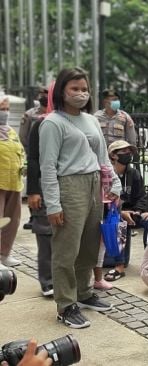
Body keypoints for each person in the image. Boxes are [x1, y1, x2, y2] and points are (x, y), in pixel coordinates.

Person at [39, 67, 121, 329]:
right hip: (68, 186)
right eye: (74, 88)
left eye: (84, 89)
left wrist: (114, 184)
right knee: (66, 248)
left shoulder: (91, 120)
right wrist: (53, 204)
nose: (81, 93)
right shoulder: (53, 123)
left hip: (94, 183)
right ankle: (65, 304)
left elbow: (103, 157)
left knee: (88, 244)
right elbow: (48, 166)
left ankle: (84, 293)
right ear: (62, 90)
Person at [101, 140, 148, 283]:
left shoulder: (133, 173)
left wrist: (138, 211)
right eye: (124, 153)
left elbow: (141, 196)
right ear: (113, 156)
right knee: (119, 223)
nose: (128, 155)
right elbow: (103, 202)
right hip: (112, 215)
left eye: (130, 152)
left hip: (132, 213)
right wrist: (122, 213)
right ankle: (119, 266)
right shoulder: (106, 175)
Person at [26, 99, 54, 296]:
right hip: (44, 185)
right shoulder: (40, 123)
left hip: (67, 186)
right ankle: (48, 281)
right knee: (45, 235)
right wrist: (33, 190)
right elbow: (33, 158)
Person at [0, 93, 25, 268]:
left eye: (7, 109)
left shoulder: (10, 130)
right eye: (2, 109)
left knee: (12, 220)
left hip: (14, 183)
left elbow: (21, 151)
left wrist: (23, 165)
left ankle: (5, 254)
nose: (6, 112)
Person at [20, 86, 48, 230]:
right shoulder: (30, 114)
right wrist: (30, 152)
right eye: (42, 94)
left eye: (46, 94)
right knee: (34, 184)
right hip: (34, 155)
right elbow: (23, 136)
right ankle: (33, 216)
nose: (44, 96)